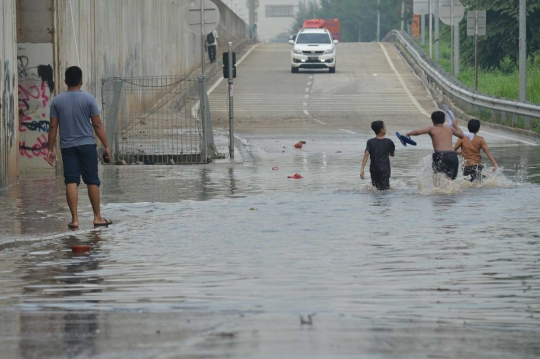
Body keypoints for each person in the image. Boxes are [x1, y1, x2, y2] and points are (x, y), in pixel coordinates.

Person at [46, 66, 113, 229]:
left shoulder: (57, 101)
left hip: (67, 147)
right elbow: (97, 124)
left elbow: (53, 127)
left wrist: (50, 149)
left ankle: (75, 220)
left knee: (71, 180)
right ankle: (97, 217)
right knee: (92, 181)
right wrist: (106, 146)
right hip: (87, 145)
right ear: (81, 81)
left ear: (65, 81)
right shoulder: (89, 99)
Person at [406, 111, 464, 182]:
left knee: (437, 176)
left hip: (439, 155)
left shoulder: (431, 129)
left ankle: (437, 191)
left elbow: (418, 132)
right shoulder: (450, 129)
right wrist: (455, 125)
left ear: (433, 121)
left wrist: (408, 134)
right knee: (450, 179)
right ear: (444, 120)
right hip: (452, 155)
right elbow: (462, 135)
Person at [360, 121, 396, 191]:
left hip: (374, 169)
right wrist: (386, 153)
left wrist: (362, 169)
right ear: (381, 129)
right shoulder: (389, 142)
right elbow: (392, 154)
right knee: (385, 190)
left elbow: (366, 154)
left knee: (375, 188)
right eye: (384, 127)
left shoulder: (370, 142)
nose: (385, 129)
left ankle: (376, 202)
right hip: (384, 170)